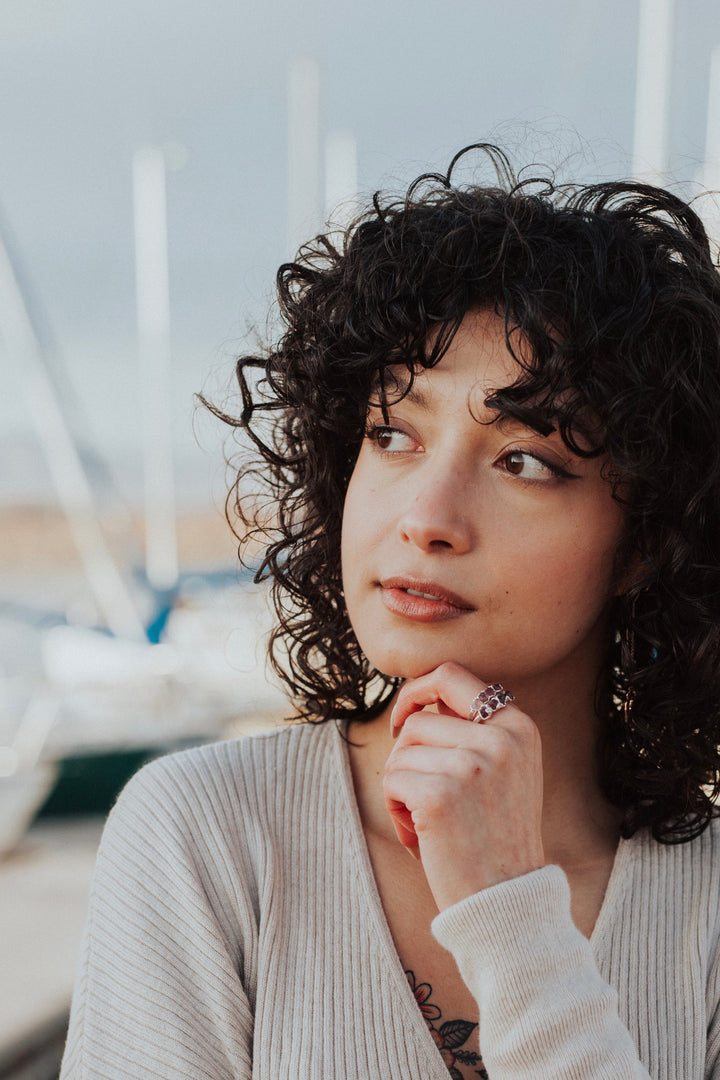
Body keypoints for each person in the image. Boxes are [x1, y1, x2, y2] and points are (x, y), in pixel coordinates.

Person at [60, 144, 720, 1080]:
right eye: (393, 432)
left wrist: (512, 918)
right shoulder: (207, 834)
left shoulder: (706, 905)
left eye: (525, 459)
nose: (427, 518)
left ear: (650, 537)